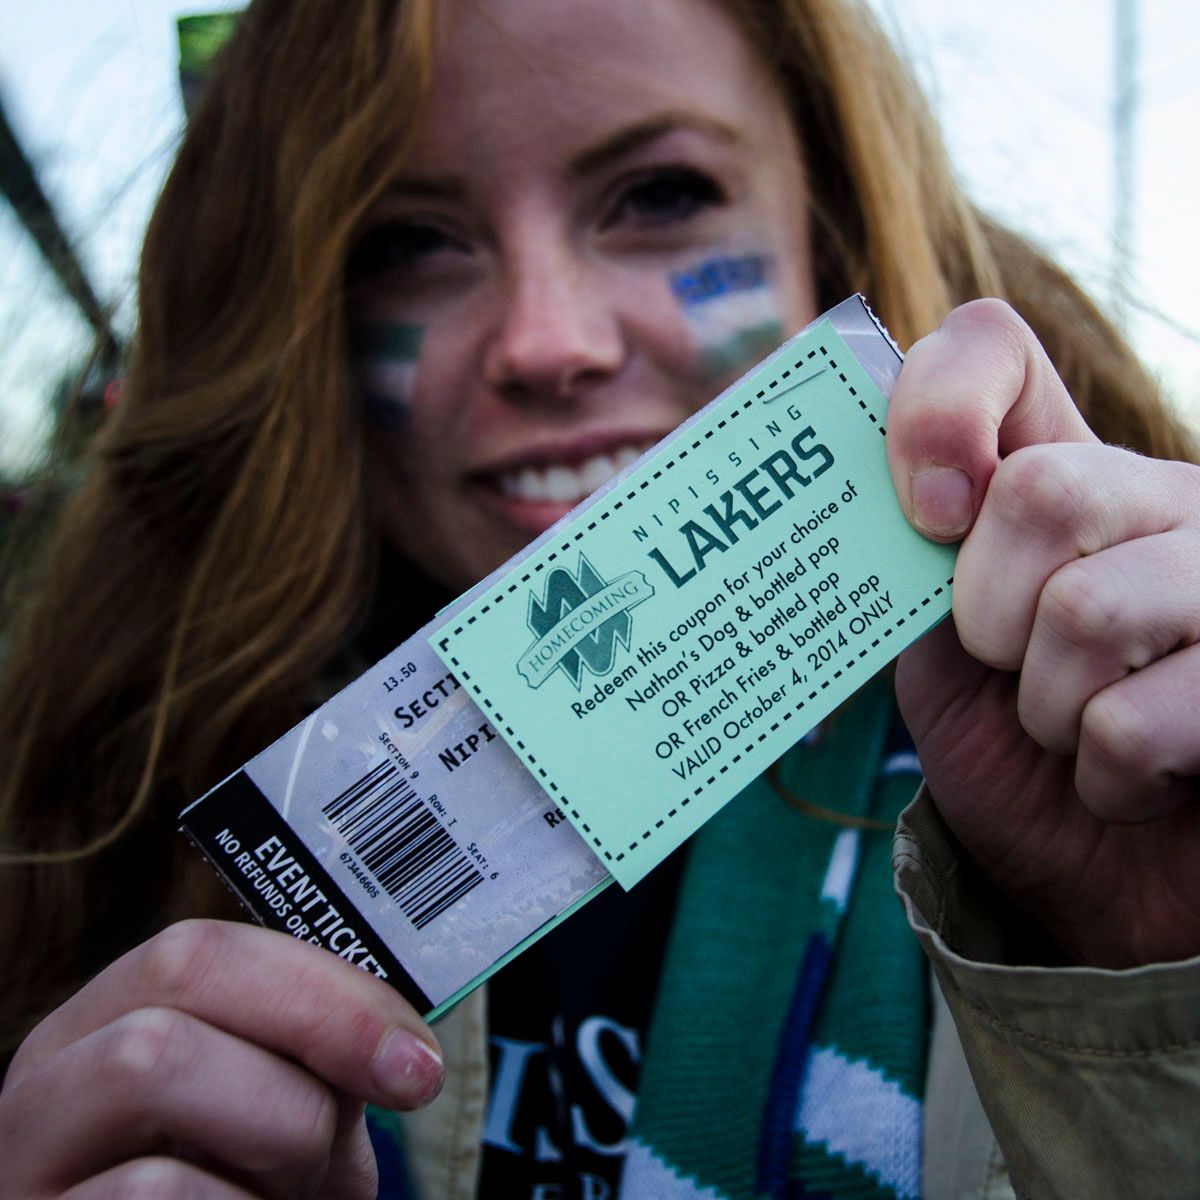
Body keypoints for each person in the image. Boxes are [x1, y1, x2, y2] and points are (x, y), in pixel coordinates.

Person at [1, 0, 1198, 1196]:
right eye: (404, 239)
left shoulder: (1123, 740)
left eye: (660, 197)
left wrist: (1152, 982)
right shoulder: (76, 825)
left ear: (824, 231)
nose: (545, 341)